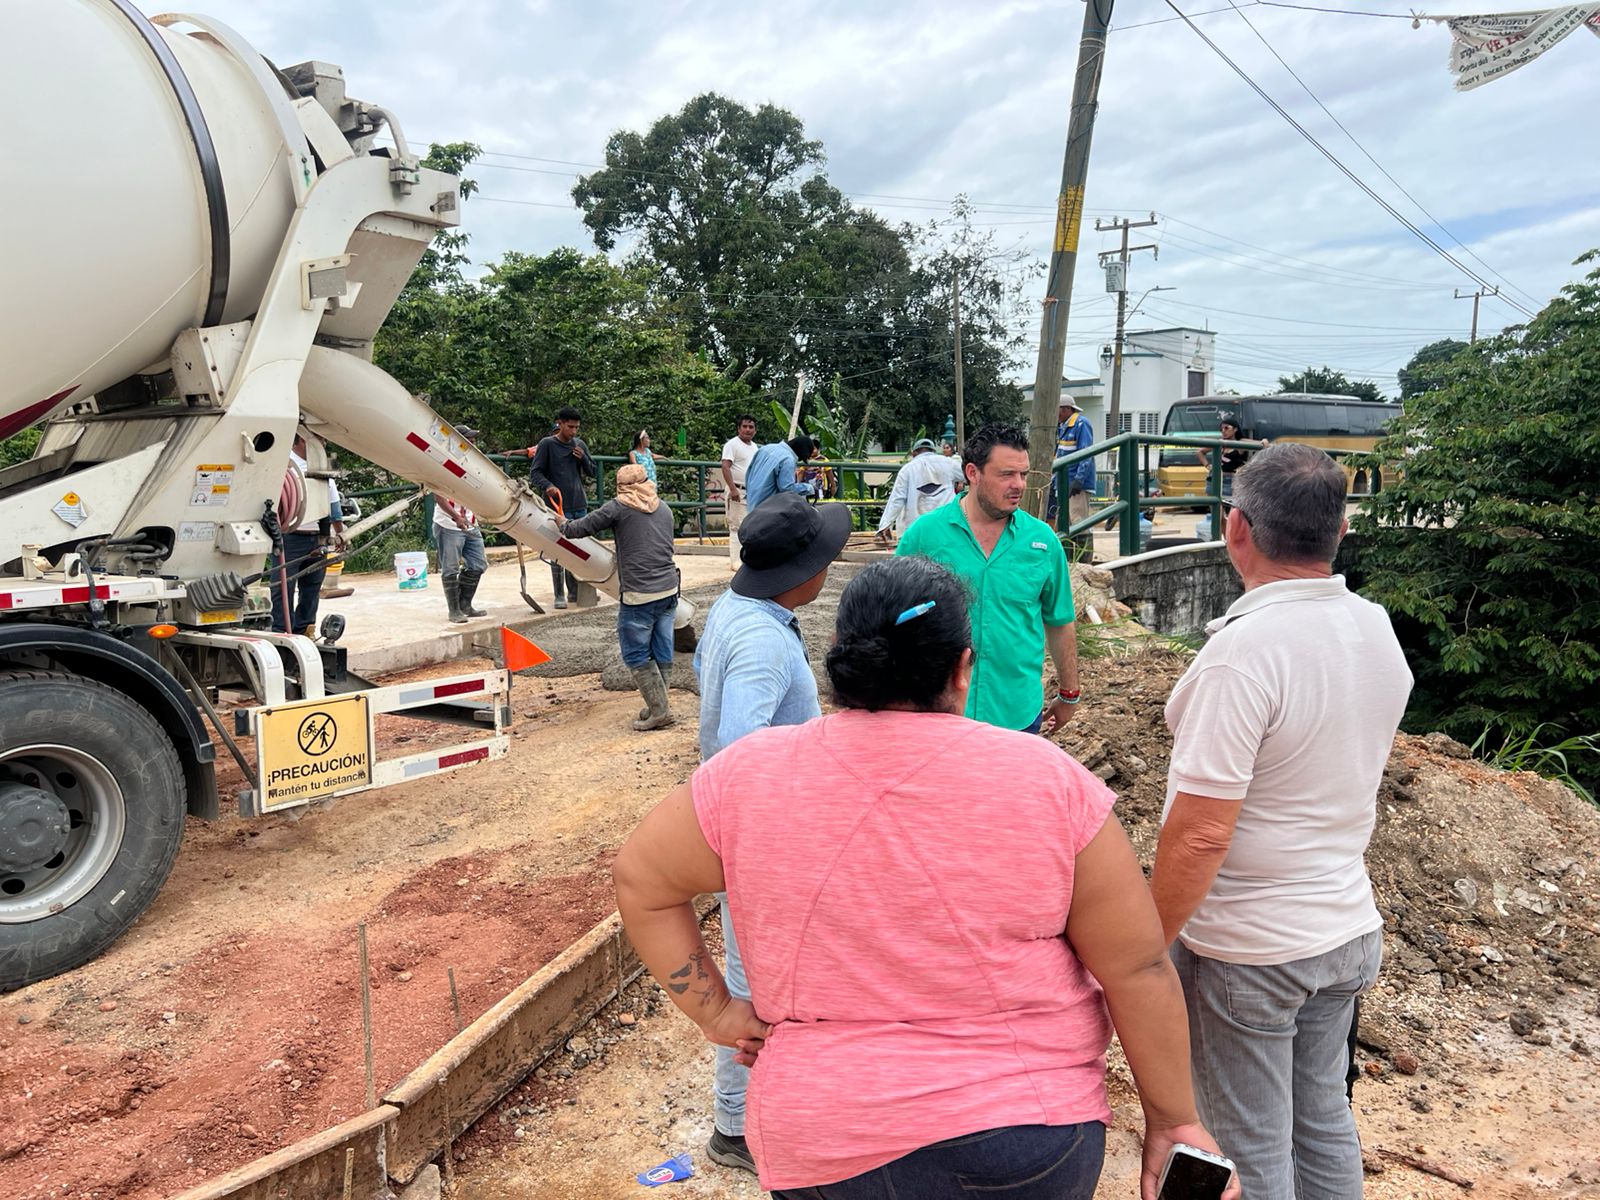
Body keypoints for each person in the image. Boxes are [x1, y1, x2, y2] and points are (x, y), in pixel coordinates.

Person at [615, 555, 1236, 1200]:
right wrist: (1173, 1120)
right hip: (1026, 1135)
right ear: (963, 669)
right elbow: (1136, 970)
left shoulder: (748, 777)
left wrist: (715, 1011)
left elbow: (642, 882)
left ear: (839, 660)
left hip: (825, 1139)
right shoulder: (1049, 782)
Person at [1149, 442, 1412, 1199]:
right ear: (1340, 532)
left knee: (1249, 1145)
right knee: (1324, 1118)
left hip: (1251, 949)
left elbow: (1201, 832)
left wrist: (1145, 944)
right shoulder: (1374, 629)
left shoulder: (1246, 653)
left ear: (1237, 528)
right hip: (1343, 927)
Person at [687, 490, 853, 1175]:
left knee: (754, 975)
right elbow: (740, 751)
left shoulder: (740, 612)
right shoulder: (760, 640)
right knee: (754, 983)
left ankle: (749, 1116)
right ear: (799, 575)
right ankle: (740, 1128)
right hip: (759, 842)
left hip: (748, 835)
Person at [897, 423, 1081, 735]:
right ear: (973, 473)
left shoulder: (1043, 542)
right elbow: (892, 618)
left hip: (1017, 715)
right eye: (1006, 474)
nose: (1019, 485)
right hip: (938, 716)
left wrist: (1069, 693)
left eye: (1023, 474)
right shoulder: (923, 537)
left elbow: (1060, 620)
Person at [562, 464, 682, 731]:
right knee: (661, 647)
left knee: (636, 652)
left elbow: (579, 529)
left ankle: (660, 710)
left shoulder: (618, 507)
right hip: (669, 590)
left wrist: (561, 523)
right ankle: (658, 705)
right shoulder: (664, 508)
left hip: (639, 593)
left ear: (622, 487)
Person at [271, 433, 345, 634]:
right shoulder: (283, 463)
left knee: (312, 588)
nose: (323, 444)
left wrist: (340, 533)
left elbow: (332, 501)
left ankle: (305, 629)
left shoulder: (322, 464)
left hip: (317, 537)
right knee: (282, 587)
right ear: (304, 439)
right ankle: (281, 631)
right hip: (290, 536)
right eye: (321, 439)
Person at [525, 406, 596, 608]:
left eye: (576, 428)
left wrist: (583, 458)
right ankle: (559, 594)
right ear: (560, 424)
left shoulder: (579, 444)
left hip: (578, 504)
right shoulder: (547, 444)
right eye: (570, 427)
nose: (573, 432)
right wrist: (548, 486)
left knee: (580, 548)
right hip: (555, 507)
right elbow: (536, 473)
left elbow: (591, 472)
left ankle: (576, 591)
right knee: (557, 548)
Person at [874, 438, 963, 545]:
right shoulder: (949, 463)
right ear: (933, 451)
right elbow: (971, 476)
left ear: (914, 453)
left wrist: (884, 526)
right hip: (945, 526)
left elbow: (896, 500)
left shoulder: (907, 470)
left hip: (916, 528)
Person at [1049, 399, 1096, 533]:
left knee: (1078, 521)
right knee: (1063, 522)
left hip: (1076, 485)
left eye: (1057, 410)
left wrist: (1078, 481)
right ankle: (1069, 553)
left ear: (1065, 409)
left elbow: (1086, 453)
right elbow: (1060, 456)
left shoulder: (1081, 424)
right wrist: (1053, 482)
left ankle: (1083, 553)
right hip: (1064, 484)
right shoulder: (1063, 426)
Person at [743, 435, 818, 513]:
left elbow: (749, 473)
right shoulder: (788, 459)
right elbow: (787, 488)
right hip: (767, 510)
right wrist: (809, 488)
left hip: (751, 505)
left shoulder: (766, 448)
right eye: (801, 458)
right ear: (801, 451)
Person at [721, 415, 759, 569]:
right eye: (745, 426)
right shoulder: (732, 445)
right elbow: (725, 466)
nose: (748, 430)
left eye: (751, 427)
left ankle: (746, 558)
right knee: (736, 525)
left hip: (751, 491)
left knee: (749, 524)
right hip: (737, 489)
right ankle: (735, 561)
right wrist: (732, 488)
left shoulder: (755, 447)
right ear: (739, 428)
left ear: (755, 430)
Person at [1195, 418, 1256, 497]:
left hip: (1231, 481)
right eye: (1221, 429)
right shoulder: (1220, 443)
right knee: (1216, 507)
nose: (1223, 431)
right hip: (1214, 479)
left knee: (1232, 507)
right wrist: (1207, 465)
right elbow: (1200, 452)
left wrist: (1264, 441)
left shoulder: (1240, 443)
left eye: (1226, 428)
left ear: (1235, 429)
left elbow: (1259, 444)